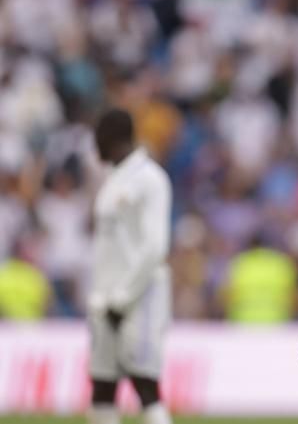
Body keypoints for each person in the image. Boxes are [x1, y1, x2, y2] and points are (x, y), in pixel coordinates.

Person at [88, 109, 173, 424]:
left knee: (145, 383)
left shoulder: (150, 178)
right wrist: (104, 298)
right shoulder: (113, 179)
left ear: (111, 138)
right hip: (104, 301)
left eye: (96, 138)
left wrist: (122, 298)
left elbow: (154, 246)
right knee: (102, 384)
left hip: (139, 297)